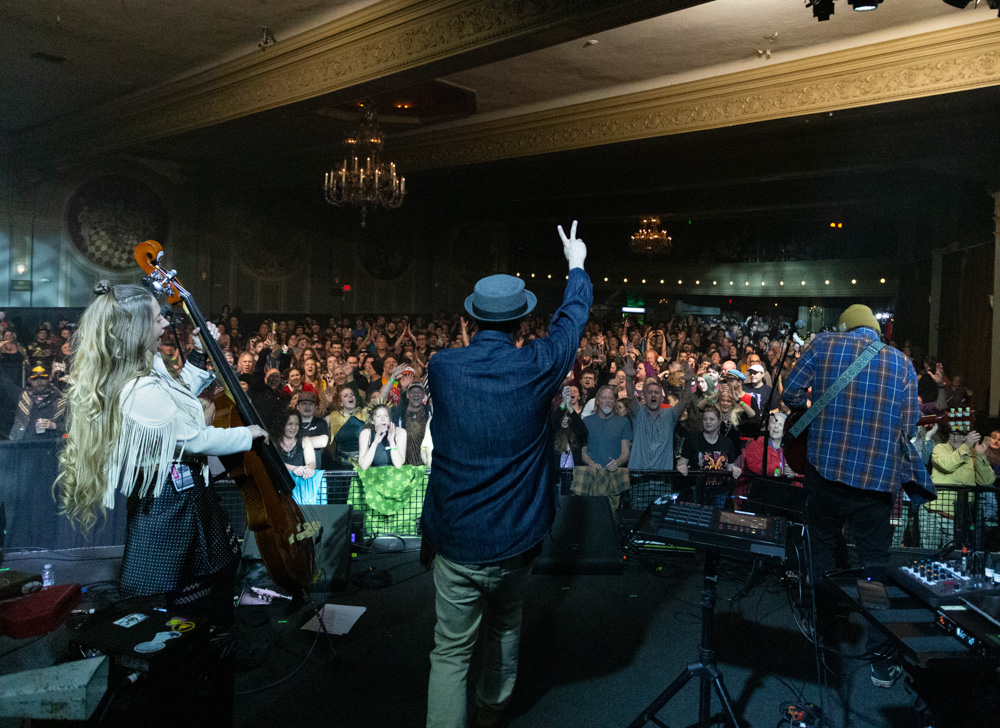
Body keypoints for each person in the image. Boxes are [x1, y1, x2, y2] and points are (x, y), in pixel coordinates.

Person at [421, 221, 590, 728]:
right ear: (522, 324)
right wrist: (575, 263)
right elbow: (571, 322)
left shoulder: (443, 367)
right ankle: (492, 713)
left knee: (449, 653)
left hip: (456, 537)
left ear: (471, 322)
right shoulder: (537, 365)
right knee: (506, 628)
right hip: (516, 537)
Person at [56, 282, 269, 626]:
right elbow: (194, 438)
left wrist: (199, 353)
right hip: (171, 507)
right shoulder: (136, 388)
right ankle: (189, 655)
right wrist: (247, 434)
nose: (166, 325)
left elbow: (179, 396)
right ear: (136, 328)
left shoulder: (147, 368)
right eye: (157, 319)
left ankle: (208, 647)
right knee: (184, 596)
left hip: (186, 498)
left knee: (216, 574)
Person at [781, 303, 933, 688]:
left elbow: (791, 394)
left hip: (826, 476)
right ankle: (880, 659)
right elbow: (910, 424)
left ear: (845, 327)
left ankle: (824, 635)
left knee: (822, 553)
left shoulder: (823, 343)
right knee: (872, 569)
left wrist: (822, 415)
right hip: (875, 486)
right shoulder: (902, 364)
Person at [921, 426, 994, 548]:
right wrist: (966, 446)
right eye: (953, 434)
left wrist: (981, 455)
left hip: (957, 516)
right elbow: (947, 465)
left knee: (953, 554)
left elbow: (986, 481)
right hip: (933, 512)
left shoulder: (974, 453)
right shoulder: (940, 448)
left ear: (967, 436)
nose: (956, 438)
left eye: (961, 435)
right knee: (929, 551)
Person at [8, 364, 66, 440]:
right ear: (29, 381)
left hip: (50, 445)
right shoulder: (22, 396)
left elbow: (74, 426)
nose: (39, 383)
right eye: (35, 379)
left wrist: (54, 425)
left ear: (49, 378)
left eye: (43, 378)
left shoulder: (60, 398)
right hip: (23, 446)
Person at [358, 403, 406, 469]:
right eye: (378, 416)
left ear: (389, 420)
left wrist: (392, 442)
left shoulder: (400, 432)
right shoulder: (366, 433)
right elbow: (363, 466)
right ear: (372, 421)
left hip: (394, 475)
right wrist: (374, 443)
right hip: (373, 475)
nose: (383, 419)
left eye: (386, 416)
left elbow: (398, 464)